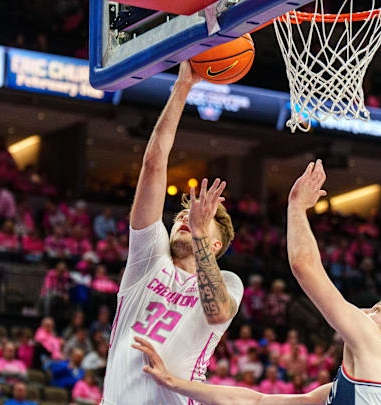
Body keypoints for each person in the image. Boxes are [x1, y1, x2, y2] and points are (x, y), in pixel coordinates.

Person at [132, 159, 381, 405]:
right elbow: (257, 402)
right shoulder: (341, 390)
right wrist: (173, 383)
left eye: (378, 310)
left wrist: (297, 207)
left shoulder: (376, 348)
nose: (366, 310)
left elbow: (304, 266)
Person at [101, 60, 243, 405]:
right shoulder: (150, 258)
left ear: (215, 243)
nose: (184, 218)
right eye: (181, 215)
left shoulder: (229, 282)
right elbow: (154, 164)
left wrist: (197, 234)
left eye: (196, 219)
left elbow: (218, 313)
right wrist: (183, 87)